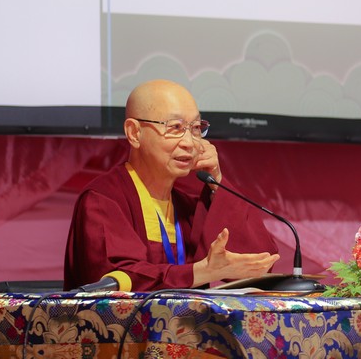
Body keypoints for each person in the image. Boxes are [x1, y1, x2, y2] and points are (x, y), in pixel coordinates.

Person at [63, 79, 280, 291]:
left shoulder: (188, 206)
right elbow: (116, 280)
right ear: (134, 133)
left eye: (196, 128)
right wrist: (199, 272)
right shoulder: (103, 199)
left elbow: (261, 263)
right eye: (175, 127)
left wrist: (217, 181)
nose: (189, 142)